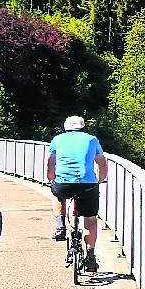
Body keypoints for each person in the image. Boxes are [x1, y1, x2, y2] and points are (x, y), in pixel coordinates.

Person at [47, 115, 107, 272]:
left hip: (64, 183)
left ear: (66, 127)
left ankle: (60, 226)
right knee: (90, 219)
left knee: (57, 194)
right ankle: (91, 256)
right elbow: (102, 162)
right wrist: (100, 180)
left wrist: (51, 179)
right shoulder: (91, 139)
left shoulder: (57, 139)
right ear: (82, 126)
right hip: (87, 185)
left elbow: (50, 162)